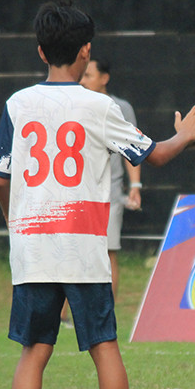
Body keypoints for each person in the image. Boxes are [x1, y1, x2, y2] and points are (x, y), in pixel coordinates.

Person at [0, 2, 195, 389]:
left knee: (33, 350)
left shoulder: (17, 104)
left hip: (33, 249)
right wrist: (185, 136)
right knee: (104, 347)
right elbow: (154, 156)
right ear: (86, 50)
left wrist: (15, 223)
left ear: (40, 50)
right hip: (83, 249)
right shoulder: (99, 106)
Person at [77, 58, 141, 297]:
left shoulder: (120, 108)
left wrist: (135, 185)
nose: (83, 82)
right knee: (75, 254)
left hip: (109, 194)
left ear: (105, 78)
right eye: (81, 76)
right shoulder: (75, 105)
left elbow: (131, 147)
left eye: (89, 76)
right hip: (78, 193)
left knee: (108, 252)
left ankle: (107, 315)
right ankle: (63, 315)